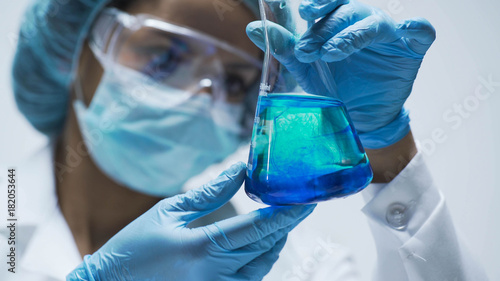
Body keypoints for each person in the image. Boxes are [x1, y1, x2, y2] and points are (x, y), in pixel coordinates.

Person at [2, 0, 488, 280]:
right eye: (164, 58)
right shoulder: (8, 226)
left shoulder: (291, 264)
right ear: (76, 52)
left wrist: (386, 149)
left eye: (236, 83)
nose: (200, 96)